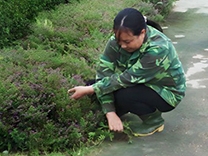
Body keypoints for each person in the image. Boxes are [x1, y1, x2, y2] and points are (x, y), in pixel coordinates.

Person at [68, 7, 186, 137]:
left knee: (123, 95)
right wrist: (110, 112)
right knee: (93, 85)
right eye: (119, 41)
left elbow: (126, 79)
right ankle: (117, 113)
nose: (122, 46)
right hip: (136, 83)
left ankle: (154, 121)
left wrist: (92, 90)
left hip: (165, 92)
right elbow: (103, 75)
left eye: (127, 41)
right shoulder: (116, 41)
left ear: (142, 32)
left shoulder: (158, 49)